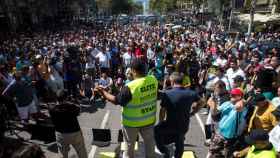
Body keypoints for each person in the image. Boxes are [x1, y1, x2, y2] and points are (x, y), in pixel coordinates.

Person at [95, 58, 158, 158]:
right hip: (149, 121)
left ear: (133, 71)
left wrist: (103, 92)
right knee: (150, 147)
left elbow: (116, 100)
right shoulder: (153, 80)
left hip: (131, 124)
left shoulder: (130, 86)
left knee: (129, 148)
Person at [154, 72, 201, 158]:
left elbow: (162, 111)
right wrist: (194, 112)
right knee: (179, 140)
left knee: (156, 131)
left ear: (172, 82)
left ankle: (165, 151)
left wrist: (161, 122)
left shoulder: (167, 93)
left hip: (170, 125)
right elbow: (202, 102)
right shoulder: (191, 93)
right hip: (183, 125)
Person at [209, 88, 248, 158]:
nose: (230, 96)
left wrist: (242, 100)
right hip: (220, 134)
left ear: (239, 96)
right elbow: (215, 112)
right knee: (213, 153)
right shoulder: (226, 103)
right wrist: (214, 103)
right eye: (230, 94)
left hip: (232, 138)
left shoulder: (243, 107)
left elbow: (238, 107)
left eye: (233, 95)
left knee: (227, 155)